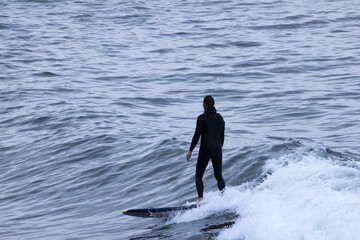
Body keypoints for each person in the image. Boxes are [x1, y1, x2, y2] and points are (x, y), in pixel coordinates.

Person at [186, 95, 225, 203]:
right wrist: (218, 148)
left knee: (199, 174)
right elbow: (222, 137)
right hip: (217, 149)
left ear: (205, 105)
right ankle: (225, 197)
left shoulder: (201, 118)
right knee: (218, 176)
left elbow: (196, 136)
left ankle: (200, 199)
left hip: (206, 148)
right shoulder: (220, 118)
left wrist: (190, 150)